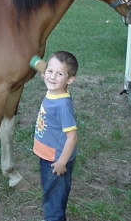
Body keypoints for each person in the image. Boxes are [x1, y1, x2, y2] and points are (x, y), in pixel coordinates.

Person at [33, 51, 78, 221]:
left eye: (59, 74)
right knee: (50, 194)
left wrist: (61, 162)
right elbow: (48, 75)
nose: (52, 77)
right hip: (48, 156)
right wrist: (45, 70)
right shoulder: (54, 92)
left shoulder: (62, 104)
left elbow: (72, 137)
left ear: (70, 80)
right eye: (50, 71)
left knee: (54, 204)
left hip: (57, 161)